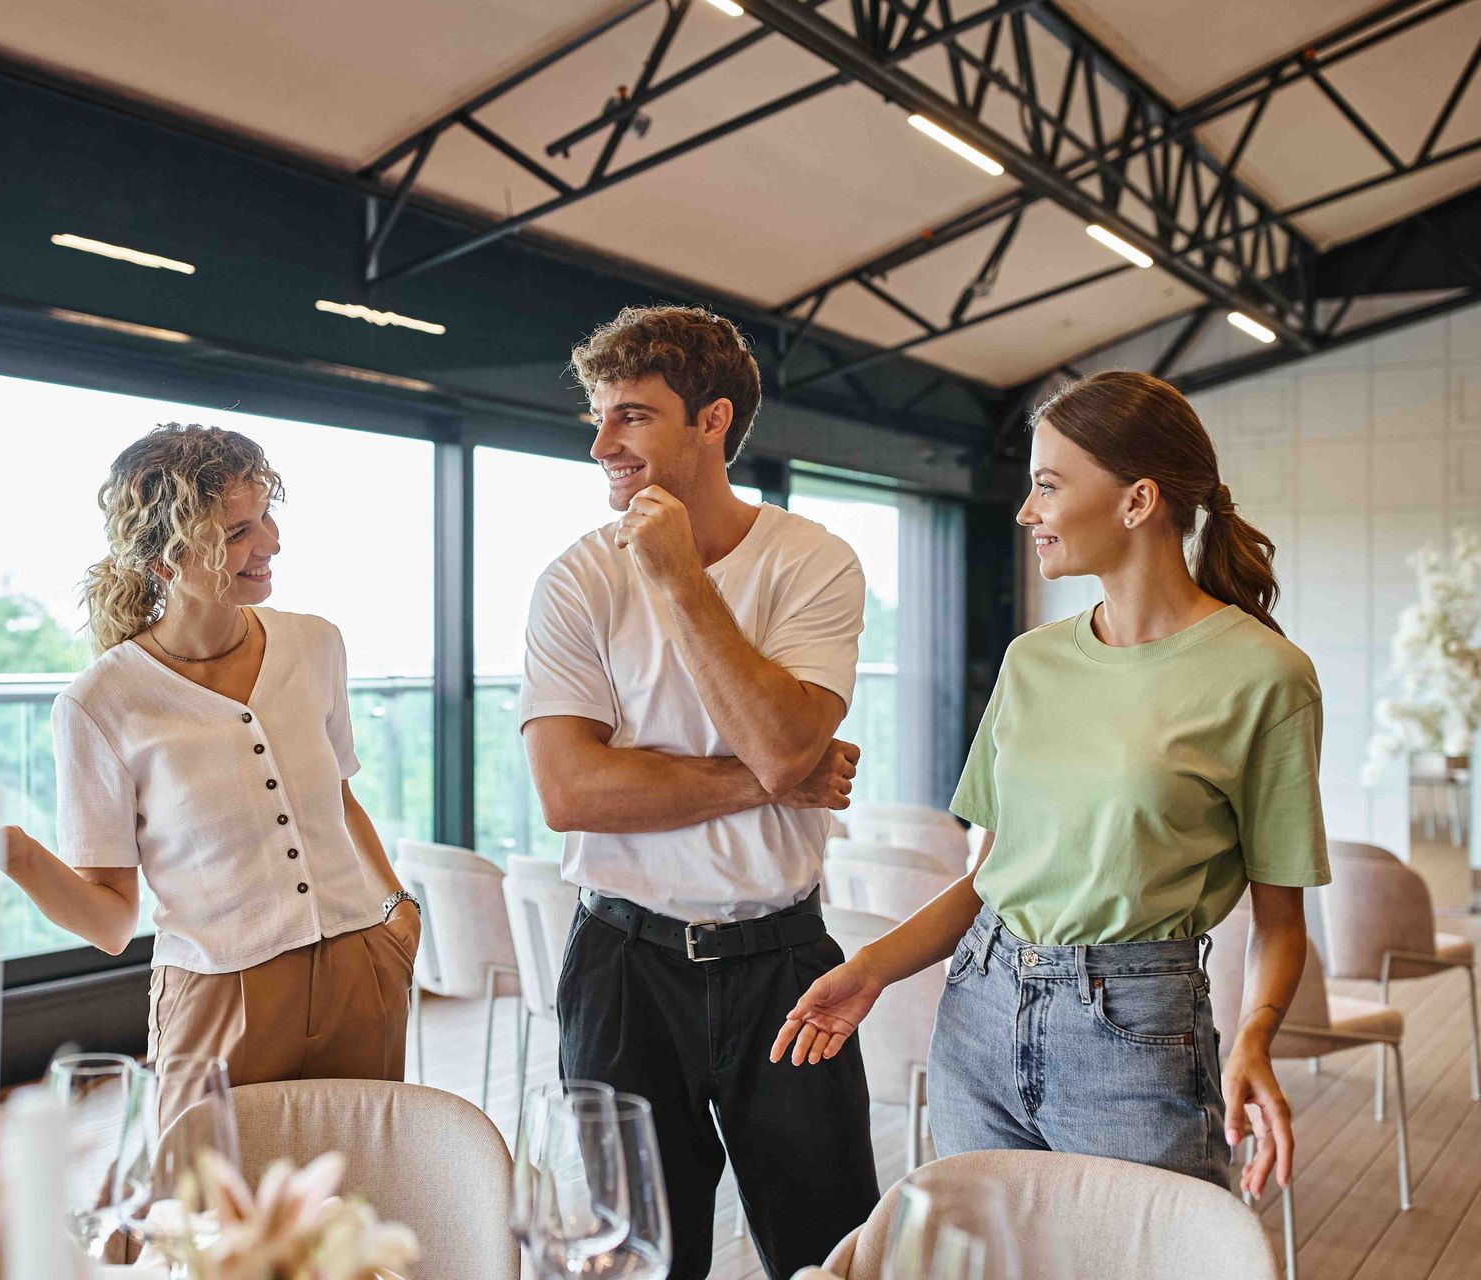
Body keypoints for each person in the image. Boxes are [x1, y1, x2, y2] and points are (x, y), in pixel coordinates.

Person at [774, 370, 1324, 1200]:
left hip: (1135, 1029)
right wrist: (872, 968)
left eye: (1047, 486)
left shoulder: (1265, 677)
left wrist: (1254, 1036)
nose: (1027, 511)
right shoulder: (1031, 660)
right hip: (978, 1010)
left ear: (1137, 501)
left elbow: (1281, 919)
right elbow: (991, 877)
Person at [0, 423, 421, 1117]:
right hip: (219, 997)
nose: (269, 542)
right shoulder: (101, 703)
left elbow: (339, 793)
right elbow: (112, 922)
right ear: (166, 561)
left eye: (265, 515)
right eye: (236, 531)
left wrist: (398, 913)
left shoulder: (316, 644)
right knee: (201, 1214)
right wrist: (19, 856)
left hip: (362, 971)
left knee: (365, 1204)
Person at [521, 305, 878, 1279]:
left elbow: (786, 739)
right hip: (623, 967)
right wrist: (770, 783)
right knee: (640, 1260)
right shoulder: (574, 580)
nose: (602, 443)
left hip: (784, 962)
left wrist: (681, 581)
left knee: (832, 1253)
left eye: (630, 415)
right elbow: (571, 788)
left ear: (711, 420)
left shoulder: (813, 561)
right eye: (598, 416)